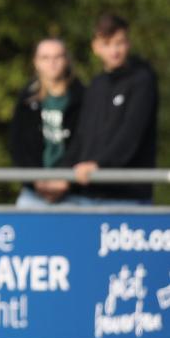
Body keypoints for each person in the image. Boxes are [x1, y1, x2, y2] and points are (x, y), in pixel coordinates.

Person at [57, 14, 158, 205]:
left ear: (128, 43)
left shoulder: (142, 81)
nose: (114, 50)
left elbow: (130, 134)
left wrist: (99, 165)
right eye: (107, 43)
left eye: (119, 42)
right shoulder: (96, 85)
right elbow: (82, 136)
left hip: (127, 197)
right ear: (95, 47)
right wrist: (62, 173)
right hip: (88, 195)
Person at [9, 38, 85, 207]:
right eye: (45, 58)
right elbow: (18, 145)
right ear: (36, 62)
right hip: (33, 193)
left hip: (73, 193)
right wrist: (36, 181)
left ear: (67, 60)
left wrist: (66, 180)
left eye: (57, 57)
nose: (52, 63)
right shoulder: (26, 100)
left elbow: (86, 143)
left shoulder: (84, 98)